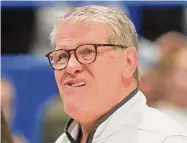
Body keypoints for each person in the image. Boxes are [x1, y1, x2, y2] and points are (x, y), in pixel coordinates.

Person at [45, 5, 187, 143]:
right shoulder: (63, 140)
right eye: (62, 56)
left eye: (88, 51)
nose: (71, 66)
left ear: (128, 62)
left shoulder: (164, 139)